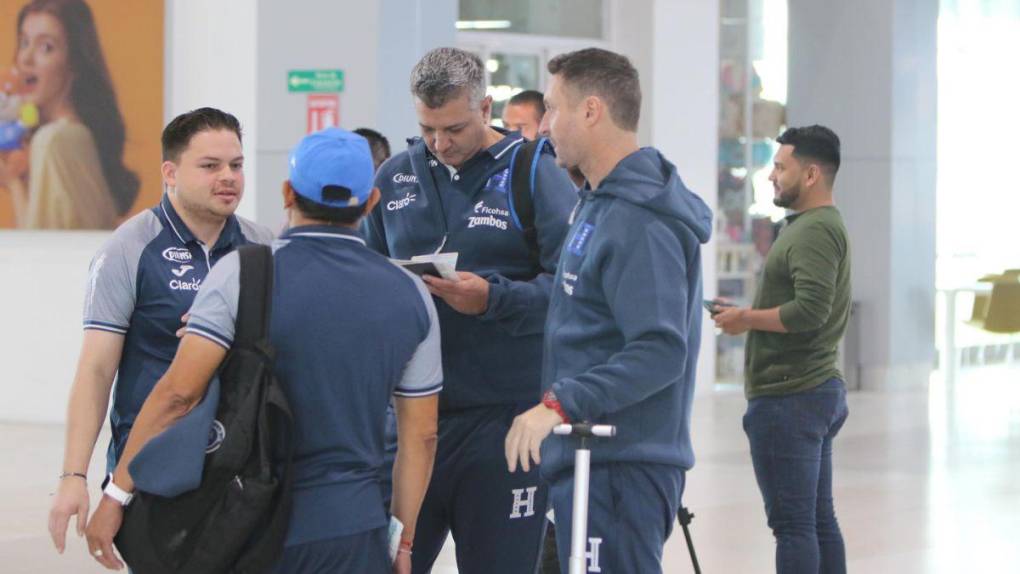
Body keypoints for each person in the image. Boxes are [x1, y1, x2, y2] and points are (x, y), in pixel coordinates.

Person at [83, 128, 442, 573]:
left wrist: (117, 493)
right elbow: (421, 436)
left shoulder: (245, 273)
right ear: (371, 202)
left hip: (251, 522)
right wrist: (403, 541)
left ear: (288, 193)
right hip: (353, 525)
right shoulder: (410, 294)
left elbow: (179, 395)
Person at [363, 47, 578, 573]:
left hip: (505, 424)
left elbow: (573, 293)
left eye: (454, 128)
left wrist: (494, 299)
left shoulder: (533, 174)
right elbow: (361, 277)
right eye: (428, 129)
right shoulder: (394, 177)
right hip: (411, 422)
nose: (440, 144)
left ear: (484, 109)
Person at [504, 48, 712, 574]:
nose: (543, 126)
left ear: (591, 110)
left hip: (620, 468)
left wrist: (559, 404)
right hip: (583, 464)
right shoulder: (598, 202)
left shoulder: (642, 221)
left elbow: (661, 350)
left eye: (552, 109)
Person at [45, 107, 273, 556]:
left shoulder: (262, 246)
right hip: (150, 473)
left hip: (242, 471)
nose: (228, 177)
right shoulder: (129, 249)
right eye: (210, 166)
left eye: (236, 165)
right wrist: (74, 476)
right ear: (170, 172)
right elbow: (95, 371)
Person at [713, 125, 850, 574]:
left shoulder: (813, 231)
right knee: (815, 519)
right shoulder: (816, 226)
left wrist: (746, 319)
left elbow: (810, 310)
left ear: (810, 174)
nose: (771, 175)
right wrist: (747, 313)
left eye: (779, 166)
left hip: (790, 395)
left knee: (794, 526)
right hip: (809, 389)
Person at [0, 0, 139, 229]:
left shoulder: (54, 141)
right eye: (24, 42)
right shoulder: (72, 137)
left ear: (74, 62)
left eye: (46, 47)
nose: (25, 58)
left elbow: (38, 252)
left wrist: (12, 181)